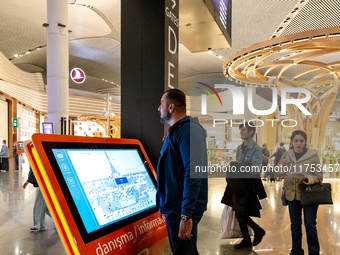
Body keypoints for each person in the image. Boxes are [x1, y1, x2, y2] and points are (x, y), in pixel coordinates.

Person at [156, 89, 208, 254]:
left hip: (180, 209)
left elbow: (193, 172)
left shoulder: (188, 130)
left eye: (161, 104)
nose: (159, 108)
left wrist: (185, 215)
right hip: (175, 206)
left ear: (171, 107)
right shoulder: (176, 130)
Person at [221, 122, 267, 249]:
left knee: (241, 211)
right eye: (241, 130)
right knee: (238, 211)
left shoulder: (256, 149)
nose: (241, 132)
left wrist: (239, 168)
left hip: (248, 185)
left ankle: (257, 231)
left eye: (244, 130)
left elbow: (256, 169)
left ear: (251, 132)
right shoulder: (240, 148)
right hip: (238, 184)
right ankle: (247, 238)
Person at [280, 130, 322, 255]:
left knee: (310, 225)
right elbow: (279, 172)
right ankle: (296, 251)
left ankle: (314, 252)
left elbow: (319, 176)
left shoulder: (313, 156)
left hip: (308, 195)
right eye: (296, 141)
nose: (299, 143)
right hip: (292, 195)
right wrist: (282, 167)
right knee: (295, 225)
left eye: (301, 141)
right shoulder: (287, 155)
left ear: (305, 142)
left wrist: (307, 178)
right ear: (292, 142)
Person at [23, 167, 51, 232]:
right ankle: (61, 219)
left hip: (44, 179)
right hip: (46, 178)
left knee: (40, 202)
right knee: (45, 204)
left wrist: (28, 180)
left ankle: (39, 226)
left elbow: (36, 166)